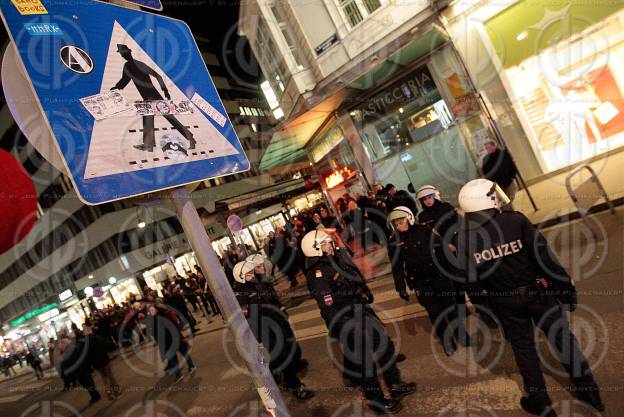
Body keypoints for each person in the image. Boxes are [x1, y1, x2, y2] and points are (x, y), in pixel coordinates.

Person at [456, 179, 604, 416]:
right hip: (538, 293)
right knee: (563, 340)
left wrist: (484, 310)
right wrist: (565, 287)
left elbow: (470, 280)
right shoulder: (515, 220)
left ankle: (540, 401)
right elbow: (544, 257)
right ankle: (591, 394)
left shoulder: (463, 238)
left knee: (524, 349)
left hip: (504, 302)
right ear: (487, 199)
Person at [301, 229, 415, 414]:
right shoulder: (318, 276)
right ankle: (377, 402)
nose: (330, 245)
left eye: (328, 242)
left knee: (385, 347)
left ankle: (395, 384)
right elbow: (328, 310)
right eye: (325, 244)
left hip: (361, 312)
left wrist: (364, 292)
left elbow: (353, 277)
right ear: (315, 250)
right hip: (348, 322)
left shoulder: (335, 259)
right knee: (365, 366)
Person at [387, 206, 471, 356]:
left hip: (439, 276)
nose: (399, 227)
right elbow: (397, 266)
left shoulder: (424, 229)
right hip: (420, 282)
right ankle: (447, 341)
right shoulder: (394, 242)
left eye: (401, 222)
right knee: (435, 313)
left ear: (409, 219)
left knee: (451, 307)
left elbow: (442, 248)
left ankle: (462, 335)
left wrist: (456, 270)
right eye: (396, 224)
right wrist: (400, 287)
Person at [232, 255, 313, 400]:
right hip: (266, 330)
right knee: (282, 357)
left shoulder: (258, 283)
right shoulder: (241, 295)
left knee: (286, 350)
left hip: (278, 322)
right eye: (248, 273)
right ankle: (295, 387)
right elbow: (250, 318)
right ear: (241, 277)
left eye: (252, 272)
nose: (252, 275)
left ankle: (276, 373)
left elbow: (271, 299)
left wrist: (281, 311)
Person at [111, 44, 196, 152]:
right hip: (147, 97)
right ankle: (149, 145)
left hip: (154, 96)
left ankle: (190, 138)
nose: (123, 56)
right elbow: (124, 80)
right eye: (122, 54)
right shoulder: (127, 66)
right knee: (148, 118)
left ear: (129, 52)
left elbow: (157, 76)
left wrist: (165, 91)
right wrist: (116, 88)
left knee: (169, 118)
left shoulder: (139, 64)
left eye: (124, 53)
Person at [144, 303, 196, 382]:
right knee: (181, 354)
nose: (150, 312)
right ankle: (188, 369)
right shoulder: (160, 317)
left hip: (169, 341)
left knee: (173, 358)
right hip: (172, 339)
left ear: (156, 309)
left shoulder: (158, 318)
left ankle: (181, 373)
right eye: (149, 311)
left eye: (152, 310)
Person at [61, 335, 102, 405]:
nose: (61, 345)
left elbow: (72, 360)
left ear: (66, 343)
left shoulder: (71, 349)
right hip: (81, 369)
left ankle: (96, 396)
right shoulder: (71, 348)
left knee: (87, 383)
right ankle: (95, 395)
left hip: (80, 369)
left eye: (62, 343)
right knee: (87, 383)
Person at [84, 324, 121, 400]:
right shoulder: (96, 338)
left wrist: (90, 365)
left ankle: (108, 392)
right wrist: (113, 346)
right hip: (104, 360)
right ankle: (116, 391)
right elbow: (106, 344)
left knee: (104, 378)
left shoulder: (85, 343)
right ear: (90, 331)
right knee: (110, 376)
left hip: (96, 364)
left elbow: (86, 355)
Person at [481, 141, 518, 206]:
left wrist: (512, 175)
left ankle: (509, 213)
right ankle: (509, 213)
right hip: (498, 184)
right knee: (505, 201)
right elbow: (486, 172)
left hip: (508, 181)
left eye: (488, 147)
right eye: (486, 148)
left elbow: (511, 165)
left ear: (494, 146)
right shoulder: (486, 159)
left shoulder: (503, 154)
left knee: (509, 199)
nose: (487, 150)